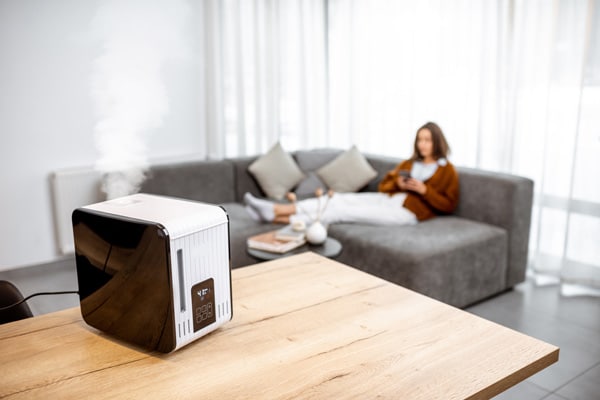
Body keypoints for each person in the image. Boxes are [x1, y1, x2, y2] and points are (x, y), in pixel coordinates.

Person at [244, 122, 459, 226]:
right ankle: (276, 209)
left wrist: (425, 190)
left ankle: (276, 217)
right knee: (336, 199)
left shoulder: (446, 170)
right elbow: (384, 185)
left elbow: (448, 205)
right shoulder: (409, 163)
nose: (422, 144)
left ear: (437, 141)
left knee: (339, 213)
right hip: (389, 199)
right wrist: (399, 184)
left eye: (427, 140)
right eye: (420, 139)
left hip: (408, 213)